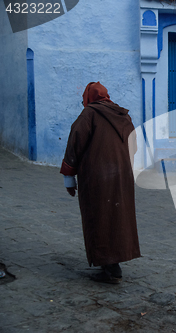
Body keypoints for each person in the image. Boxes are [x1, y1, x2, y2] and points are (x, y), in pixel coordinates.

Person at [60, 81, 140, 284]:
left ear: (89, 97)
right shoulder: (124, 116)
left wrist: (69, 177)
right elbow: (134, 146)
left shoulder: (90, 114)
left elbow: (75, 144)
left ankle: (110, 268)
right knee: (117, 217)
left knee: (99, 218)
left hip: (97, 178)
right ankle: (113, 264)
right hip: (121, 176)